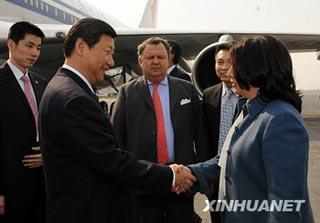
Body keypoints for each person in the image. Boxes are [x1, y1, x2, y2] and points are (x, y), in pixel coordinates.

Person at [39, 18, 195, 223]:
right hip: (86, 212)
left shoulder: (61, 87)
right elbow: (111, 160)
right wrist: (170, 175)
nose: (111, 62)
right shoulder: (74, 98)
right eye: (107, 52)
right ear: (81, 47)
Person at [178, 35, 314, 222]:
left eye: (234, 65)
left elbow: (285, 206)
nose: (228, 72)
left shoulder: (280, 120)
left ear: (255, 69)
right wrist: (194, 172)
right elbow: (231, 156)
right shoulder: (251, 109)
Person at [111, 36, 210, 223]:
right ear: (140, 61)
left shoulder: (187, 89)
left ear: (169, 59)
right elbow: (117, 138)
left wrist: (200, 174)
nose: (156, 61)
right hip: (143, 182)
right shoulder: (127, 92)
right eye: (150, 58)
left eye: (161, 57)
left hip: (182, 180)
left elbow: (201, 134)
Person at [0, 21, 46, 223]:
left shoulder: (40, 83)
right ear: (11, 44)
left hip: (41, 182)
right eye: (29, 46)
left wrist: (47, 154)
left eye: (38, 48)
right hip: (9, 185)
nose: (35, 53)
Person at [202, 42, 245, 223]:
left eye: (230, 62)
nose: (224, 67)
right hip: (215, 174)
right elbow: (203, 136)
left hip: (242, 174)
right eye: (220, 62)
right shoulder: (208, 94)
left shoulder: (248, 95)